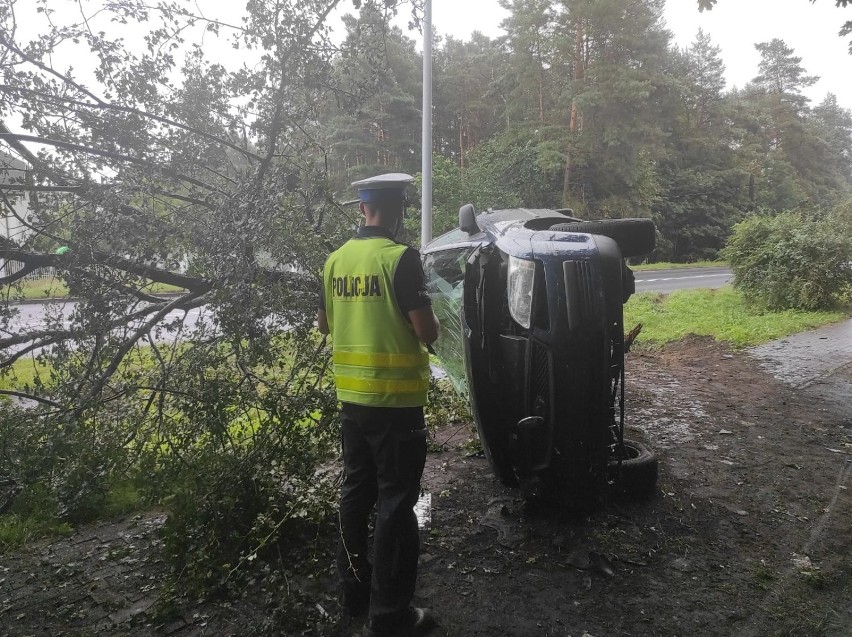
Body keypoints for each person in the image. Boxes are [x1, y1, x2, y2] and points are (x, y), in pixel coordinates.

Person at [318, 173, 440, 637]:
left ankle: (353, 591)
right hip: (396, 405)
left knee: (355, 494)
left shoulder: (334, 261)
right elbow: (426, 332)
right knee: (396, 503)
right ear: (397, 210)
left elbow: (324, 324)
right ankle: (390, 615)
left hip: (352, 402)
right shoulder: (401, 260)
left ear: (361, 210)